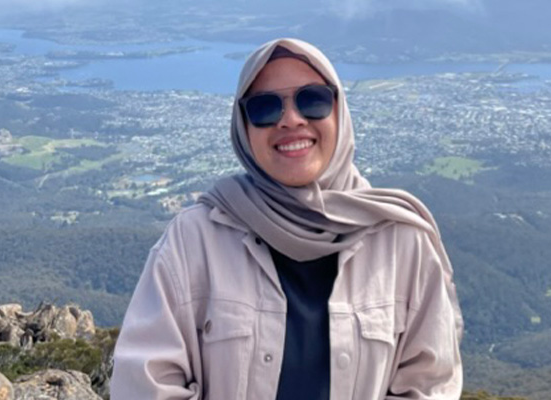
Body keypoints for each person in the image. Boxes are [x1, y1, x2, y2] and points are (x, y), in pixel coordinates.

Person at [110, 38, 463, 400]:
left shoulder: (402, 241)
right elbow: (144, 385)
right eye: (265, 107)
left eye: (313, 100)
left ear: (339, 112)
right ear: (243, 128)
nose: (291, 120)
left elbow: (429, 385)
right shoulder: (194, 240)